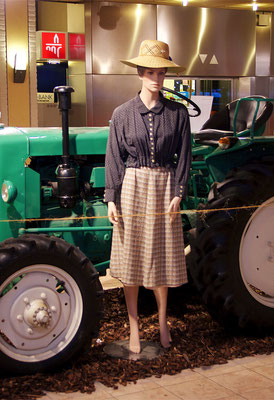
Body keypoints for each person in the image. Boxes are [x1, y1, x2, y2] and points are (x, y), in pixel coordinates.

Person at [104, 39, 191, 354]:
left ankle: (164, 321)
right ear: (140, 73)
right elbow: (113, 157)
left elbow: (184, 157)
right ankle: (134, 328)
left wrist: (178, 192)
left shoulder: (178, 113)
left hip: (165, 187)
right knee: (131, 260)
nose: (156, 78)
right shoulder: (123, 113)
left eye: (161, 72)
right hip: (133, 186)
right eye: (150, 72)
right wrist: (111, 198)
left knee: (162, 258)